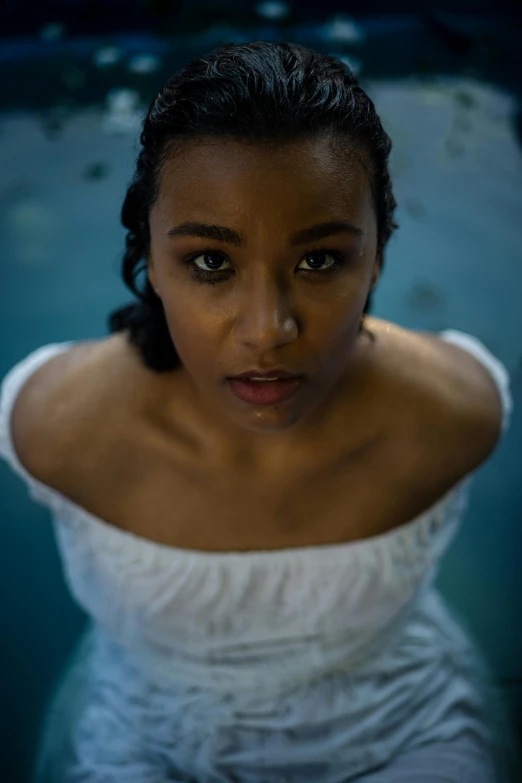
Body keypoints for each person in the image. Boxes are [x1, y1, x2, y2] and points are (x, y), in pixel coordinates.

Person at [0, 41, 520, 783]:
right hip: (147, 742)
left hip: (407, 726)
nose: (266, 329)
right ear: (148, 256)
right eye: (211, 261)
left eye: (319, 260)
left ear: (378, 255)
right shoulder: (55, 428)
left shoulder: (454, 414)